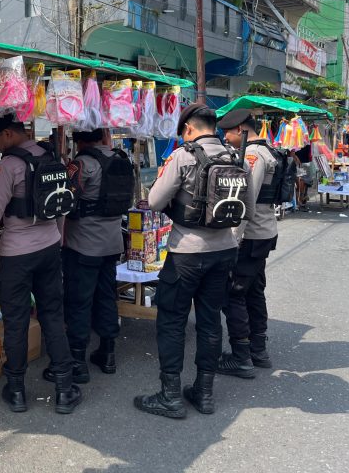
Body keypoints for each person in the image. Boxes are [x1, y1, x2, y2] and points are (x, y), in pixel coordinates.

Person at [0, 114, 82, 415]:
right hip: (49, 249)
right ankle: (64, 389)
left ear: (9, 134)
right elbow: (61, 205)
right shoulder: (52, 157)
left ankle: (16, 390)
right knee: (52, 315)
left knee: (16, 322)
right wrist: (57, 239)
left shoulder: (8, 166)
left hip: (17, 257)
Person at [134, 104, 252, 418]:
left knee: (172, 322)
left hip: (186, 253)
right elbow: (246, 211)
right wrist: (230, 242)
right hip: (225, 251)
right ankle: (204, 392)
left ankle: (170, 396)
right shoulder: (237, 159)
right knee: (211, 321)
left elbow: (156, 201)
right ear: (214, 126)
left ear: (188, 128)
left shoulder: (183, 157)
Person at [43, 128, 125, 384]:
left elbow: (65, 199)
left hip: (83, 244)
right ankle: (108, 353)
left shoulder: (81, 164)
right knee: (107, 296)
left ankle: (77, 362)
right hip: (112, 243)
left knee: (79, 301)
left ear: (78, 141)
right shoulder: (121, 159)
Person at [216, 109, 279, 377]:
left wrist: (233, 238)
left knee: (234, 294)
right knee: (253, 291)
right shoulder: (266, 150)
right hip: (263, 232)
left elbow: (245, 201)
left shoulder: (253, 156)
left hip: (251, 235)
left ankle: (241, 356)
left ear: (241, 129)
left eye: (228, 132)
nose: (226, 138)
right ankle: (258, 350)